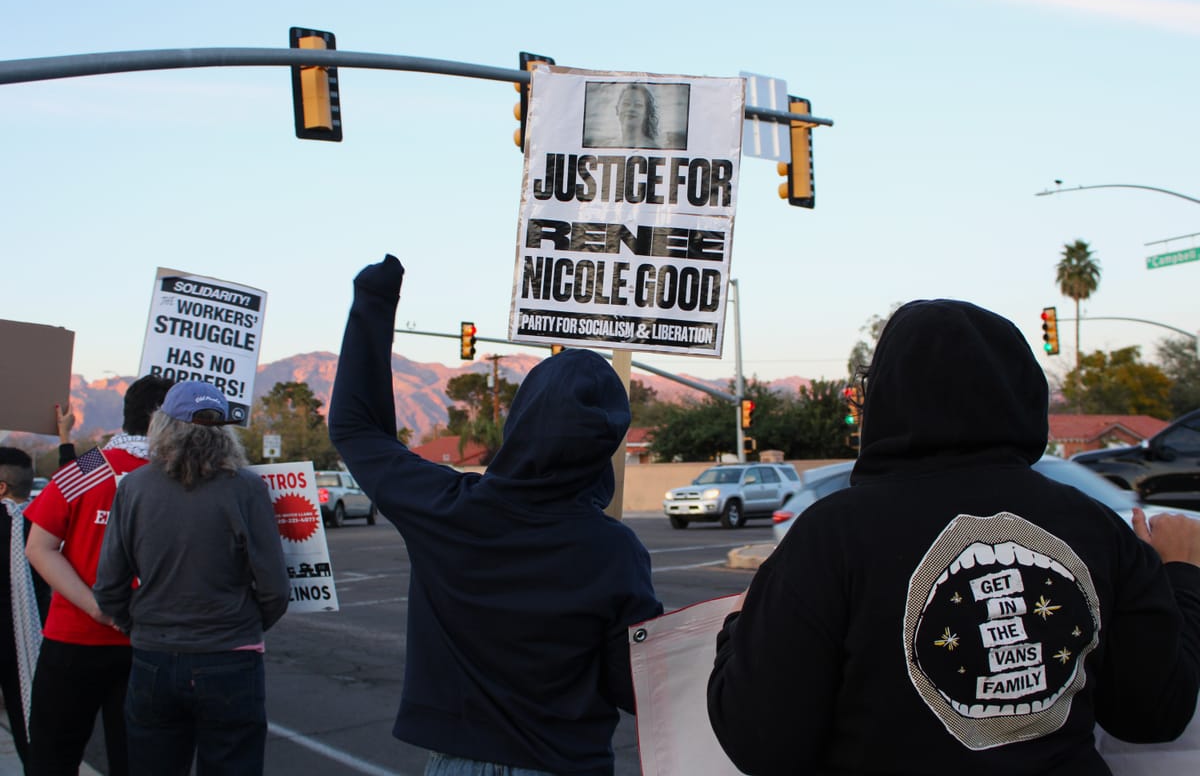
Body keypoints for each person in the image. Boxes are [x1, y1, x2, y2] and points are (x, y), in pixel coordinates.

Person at [708, 299, 1200, 774]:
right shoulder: (1097, 527)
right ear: (1024, 396)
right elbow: (1154, 714)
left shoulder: (830, 535)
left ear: (883, 396)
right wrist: (1182, 579)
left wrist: (736, 633)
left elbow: (764, 744)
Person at [329, 255, 663, 776]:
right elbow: (635, 685)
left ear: (522, 418)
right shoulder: (615, 553)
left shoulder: (446, 509)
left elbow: (355, 429)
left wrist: (374, 303)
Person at [93, 380, 289, 776]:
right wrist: (245, 623)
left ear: (162, 425)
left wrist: (136, 624)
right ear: (223, 431)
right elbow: (274, 588)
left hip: (153, 657)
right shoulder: (247, 487)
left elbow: (109, 584)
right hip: (230, 657)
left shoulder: (132, 486)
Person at [24, 374, 174, 776]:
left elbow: (38, 548)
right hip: (152, 643)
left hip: (73, 641)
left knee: (52, 757)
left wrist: (97, 609)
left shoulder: (88, 466)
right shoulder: (182, 475)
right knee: (141, 761)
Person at [0, 447, 45, 771]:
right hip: (33, 642)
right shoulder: (45, 517)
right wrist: (66, 439)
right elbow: (83, 474)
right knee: (33, 730)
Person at [614, 83, 660, 148]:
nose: (631, 109)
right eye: (626, 104)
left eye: (638, 105)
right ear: (617, 109)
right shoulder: (610, 145)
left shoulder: (653, 149)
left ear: (647, 113)